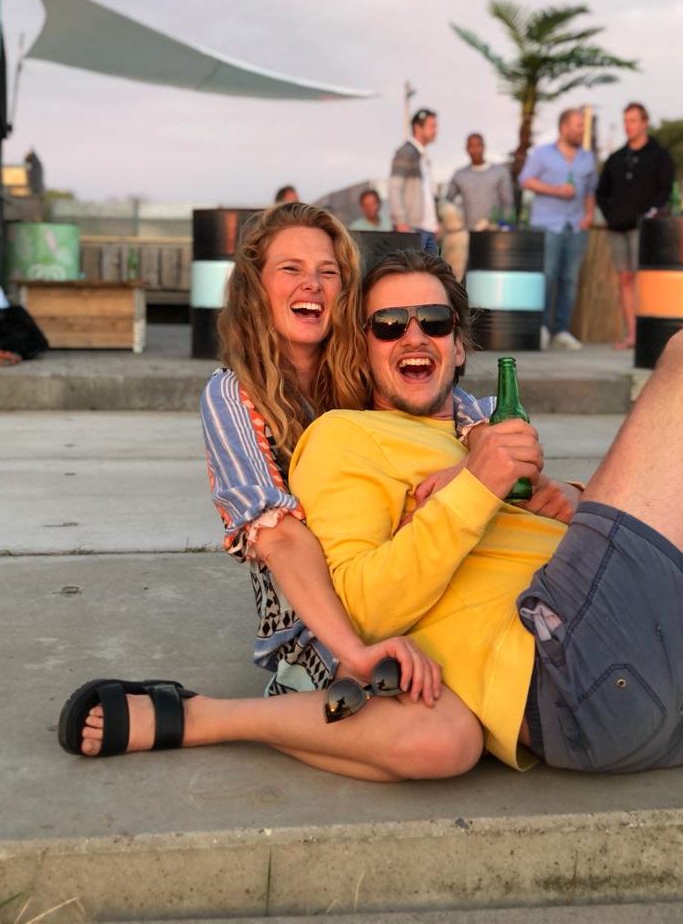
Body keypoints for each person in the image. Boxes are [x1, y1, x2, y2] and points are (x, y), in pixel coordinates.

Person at [62, 248, 683, 780]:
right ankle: (201, 715)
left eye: (434, 321)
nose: (413, 337)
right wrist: (475, 487)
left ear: (459, 347)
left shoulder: (476, 435)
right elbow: (361, 609)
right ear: (362, 351)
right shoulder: (344, 438)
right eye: (387, 325)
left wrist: (572, 504)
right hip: (567, 666)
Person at [58, 207, 492, 774]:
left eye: (328, 272)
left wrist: (478, 452)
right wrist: (352, 650)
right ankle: (202, 716)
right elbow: (278, 535)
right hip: (316, 610)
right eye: (291, 269)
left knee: (463, 717)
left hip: (404, 577)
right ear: (255, 288)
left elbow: (462, 408)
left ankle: (328, 719)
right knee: (436, 739)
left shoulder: (370, 360)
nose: (311, 284)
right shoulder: (234, 394)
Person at [596, 103, 675, 349]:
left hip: (644, 228)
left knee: (644, 281)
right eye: (626, 120)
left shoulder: (659, 155)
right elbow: (601, 192)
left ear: (644, 123)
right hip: (617, 228)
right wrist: (611, 216)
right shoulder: (616, 158)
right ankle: (631, 334)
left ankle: (647, 336)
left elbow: (665, 189)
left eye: (633, 120)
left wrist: (648, 214)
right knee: (625, 279)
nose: (628, 125)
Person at [519, 109, 597, 351]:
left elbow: (590, 191)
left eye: (583, 125)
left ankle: (561, 330)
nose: (582, 129)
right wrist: (556, 190)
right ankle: (541, 329)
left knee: (570, 279)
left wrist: (589, 215)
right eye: (578, 125)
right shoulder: (542, 153)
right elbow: (525, 180)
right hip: (547, 224)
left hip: (576, 226)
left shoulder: (587, 158)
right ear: (564, 127)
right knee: (547, 276)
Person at [388, 108, 440, 255]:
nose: (436, 130)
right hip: (412, 229)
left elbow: (427, 194)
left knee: (431, 268)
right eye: (432, 126)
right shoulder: (405, 152)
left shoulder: (423, 156)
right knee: (415, 268)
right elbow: (394, 187)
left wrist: (435, 222)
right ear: (418, 127)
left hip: (428, 230)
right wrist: (401, 220)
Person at [446, 133, 514, 230]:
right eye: (471, 146)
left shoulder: (500, 172)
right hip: (468, 232)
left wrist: (503, 226)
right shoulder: (459, 175)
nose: (475, 150)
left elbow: (507, 203)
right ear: (466, 149)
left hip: (494, 232)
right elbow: (448, 201)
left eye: (478, 146)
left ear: (484, 147)